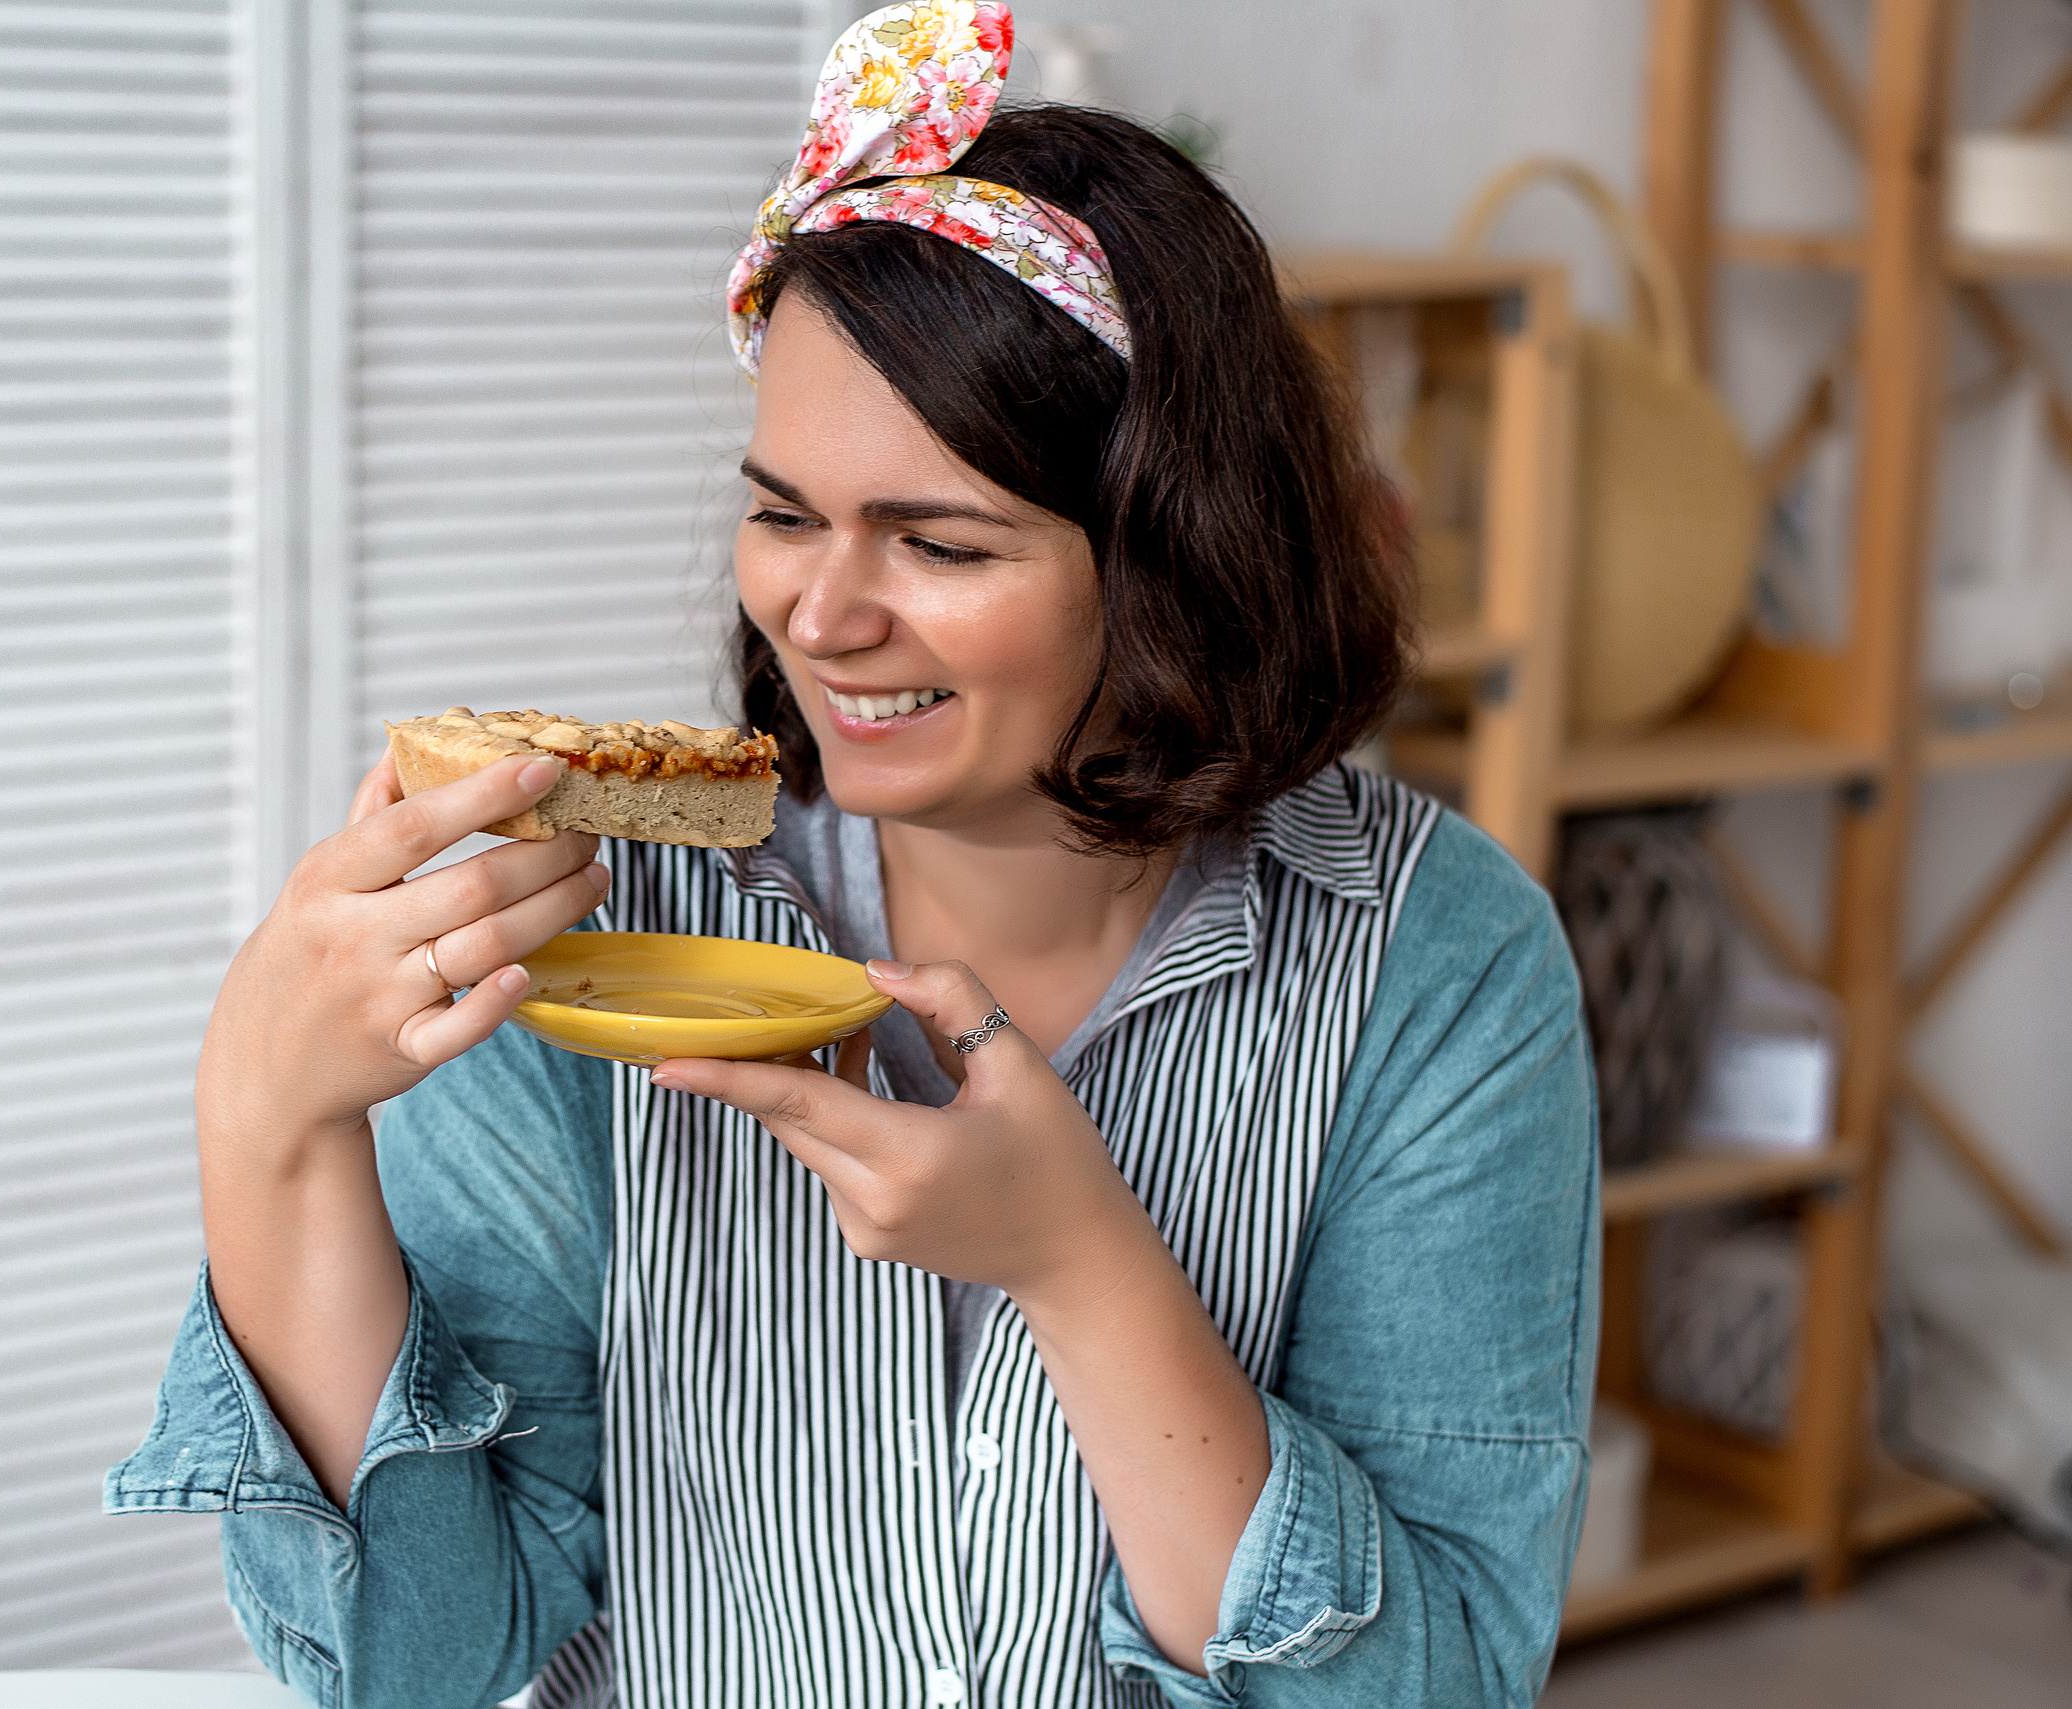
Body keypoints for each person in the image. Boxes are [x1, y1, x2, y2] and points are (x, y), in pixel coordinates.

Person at [108, 5, 1598, 1705]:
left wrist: (1079, 1263)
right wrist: (264, 1116)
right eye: (786, 512)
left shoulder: (1438, 958)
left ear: (1175, 553)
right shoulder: (588, 914)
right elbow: (420, 1656)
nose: (823, 615)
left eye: (940, 540)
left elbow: (1438, 1680)